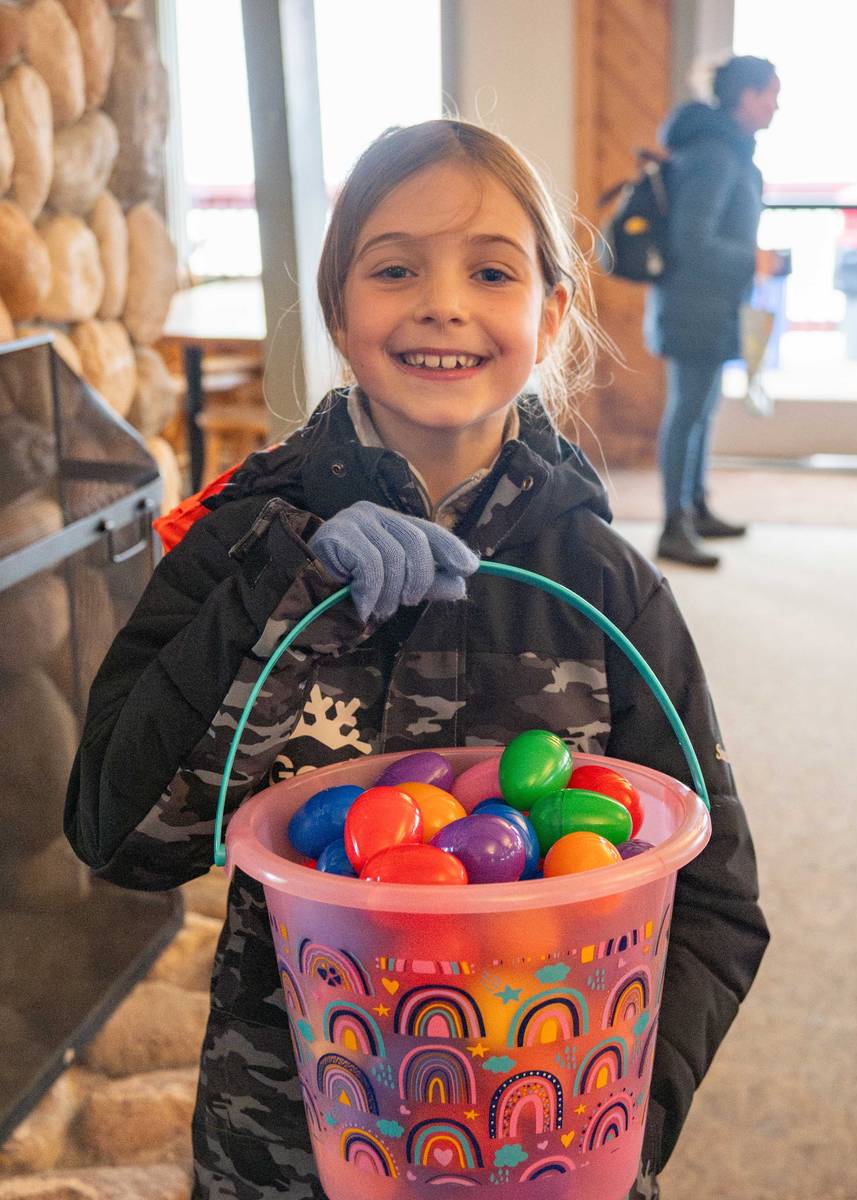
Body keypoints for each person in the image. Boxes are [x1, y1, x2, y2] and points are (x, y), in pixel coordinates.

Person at [64, 119, 768, 1200]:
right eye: (396, 269)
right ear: (341, 312)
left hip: (550, 1149)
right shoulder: (247, 542)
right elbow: (126, 839)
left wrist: (612, 1126)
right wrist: (287, 585)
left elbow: (715, 900)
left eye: (491, 270)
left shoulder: (609, 591)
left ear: (551, 312)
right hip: (291, 1152)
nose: (443, 301)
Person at [646, 55, 781, 568]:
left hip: (713, 303)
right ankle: (672, 526)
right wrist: (755, 258)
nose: (775, 106)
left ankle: (695, 508)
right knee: (687, 412)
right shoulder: (714, 154)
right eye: (770, 94)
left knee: (702, 409)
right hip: (694, 305)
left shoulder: (726, 151)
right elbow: (691, 241)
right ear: (744, 97)